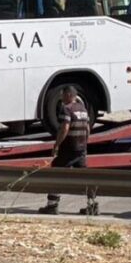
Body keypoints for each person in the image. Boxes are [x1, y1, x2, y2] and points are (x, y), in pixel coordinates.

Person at [38, 85, 98, 215]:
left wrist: (57, 144)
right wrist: (85, 143)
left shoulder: (66, 109)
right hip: (81, 148)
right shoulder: (83, 109)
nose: (61, 98)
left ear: (69, 95)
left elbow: (64, 128)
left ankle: (52, 205)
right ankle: (92, 205)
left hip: (69, 147)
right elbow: (87, 129)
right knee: (84, 176)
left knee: (56, 171)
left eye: (63, 95)